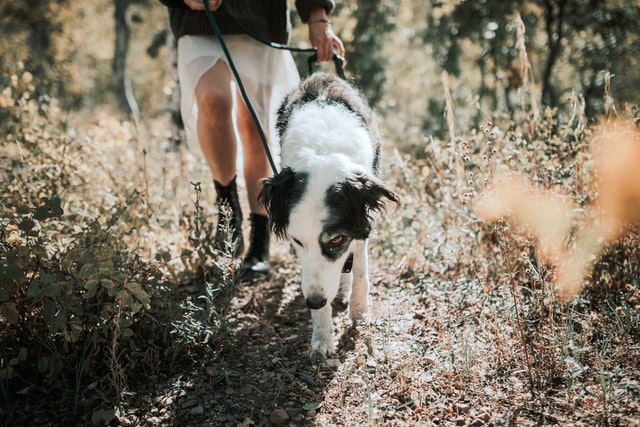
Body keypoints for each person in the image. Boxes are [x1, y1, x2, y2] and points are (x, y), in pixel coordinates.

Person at [158, 0, 345, 276]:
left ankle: (260, 237)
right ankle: (227, 208)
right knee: (212, 100)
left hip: (260, 18)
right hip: (198, 20)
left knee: (254, 125)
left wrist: (317, 16)